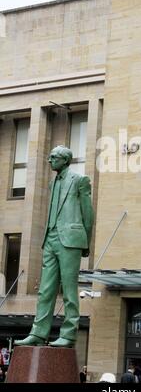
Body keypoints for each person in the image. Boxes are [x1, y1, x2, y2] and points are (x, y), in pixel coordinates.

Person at [14, 146, 94, 348]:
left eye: (54, 157)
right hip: (50, 239)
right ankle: (38, 333)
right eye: (50, 157)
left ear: (65, 160)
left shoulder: (79, 180)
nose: (49, 160)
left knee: (68, 289)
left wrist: (86, 242)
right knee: (45, 290)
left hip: (70, 240)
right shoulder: (52, 184)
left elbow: (88, 213)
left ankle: (68, 335)